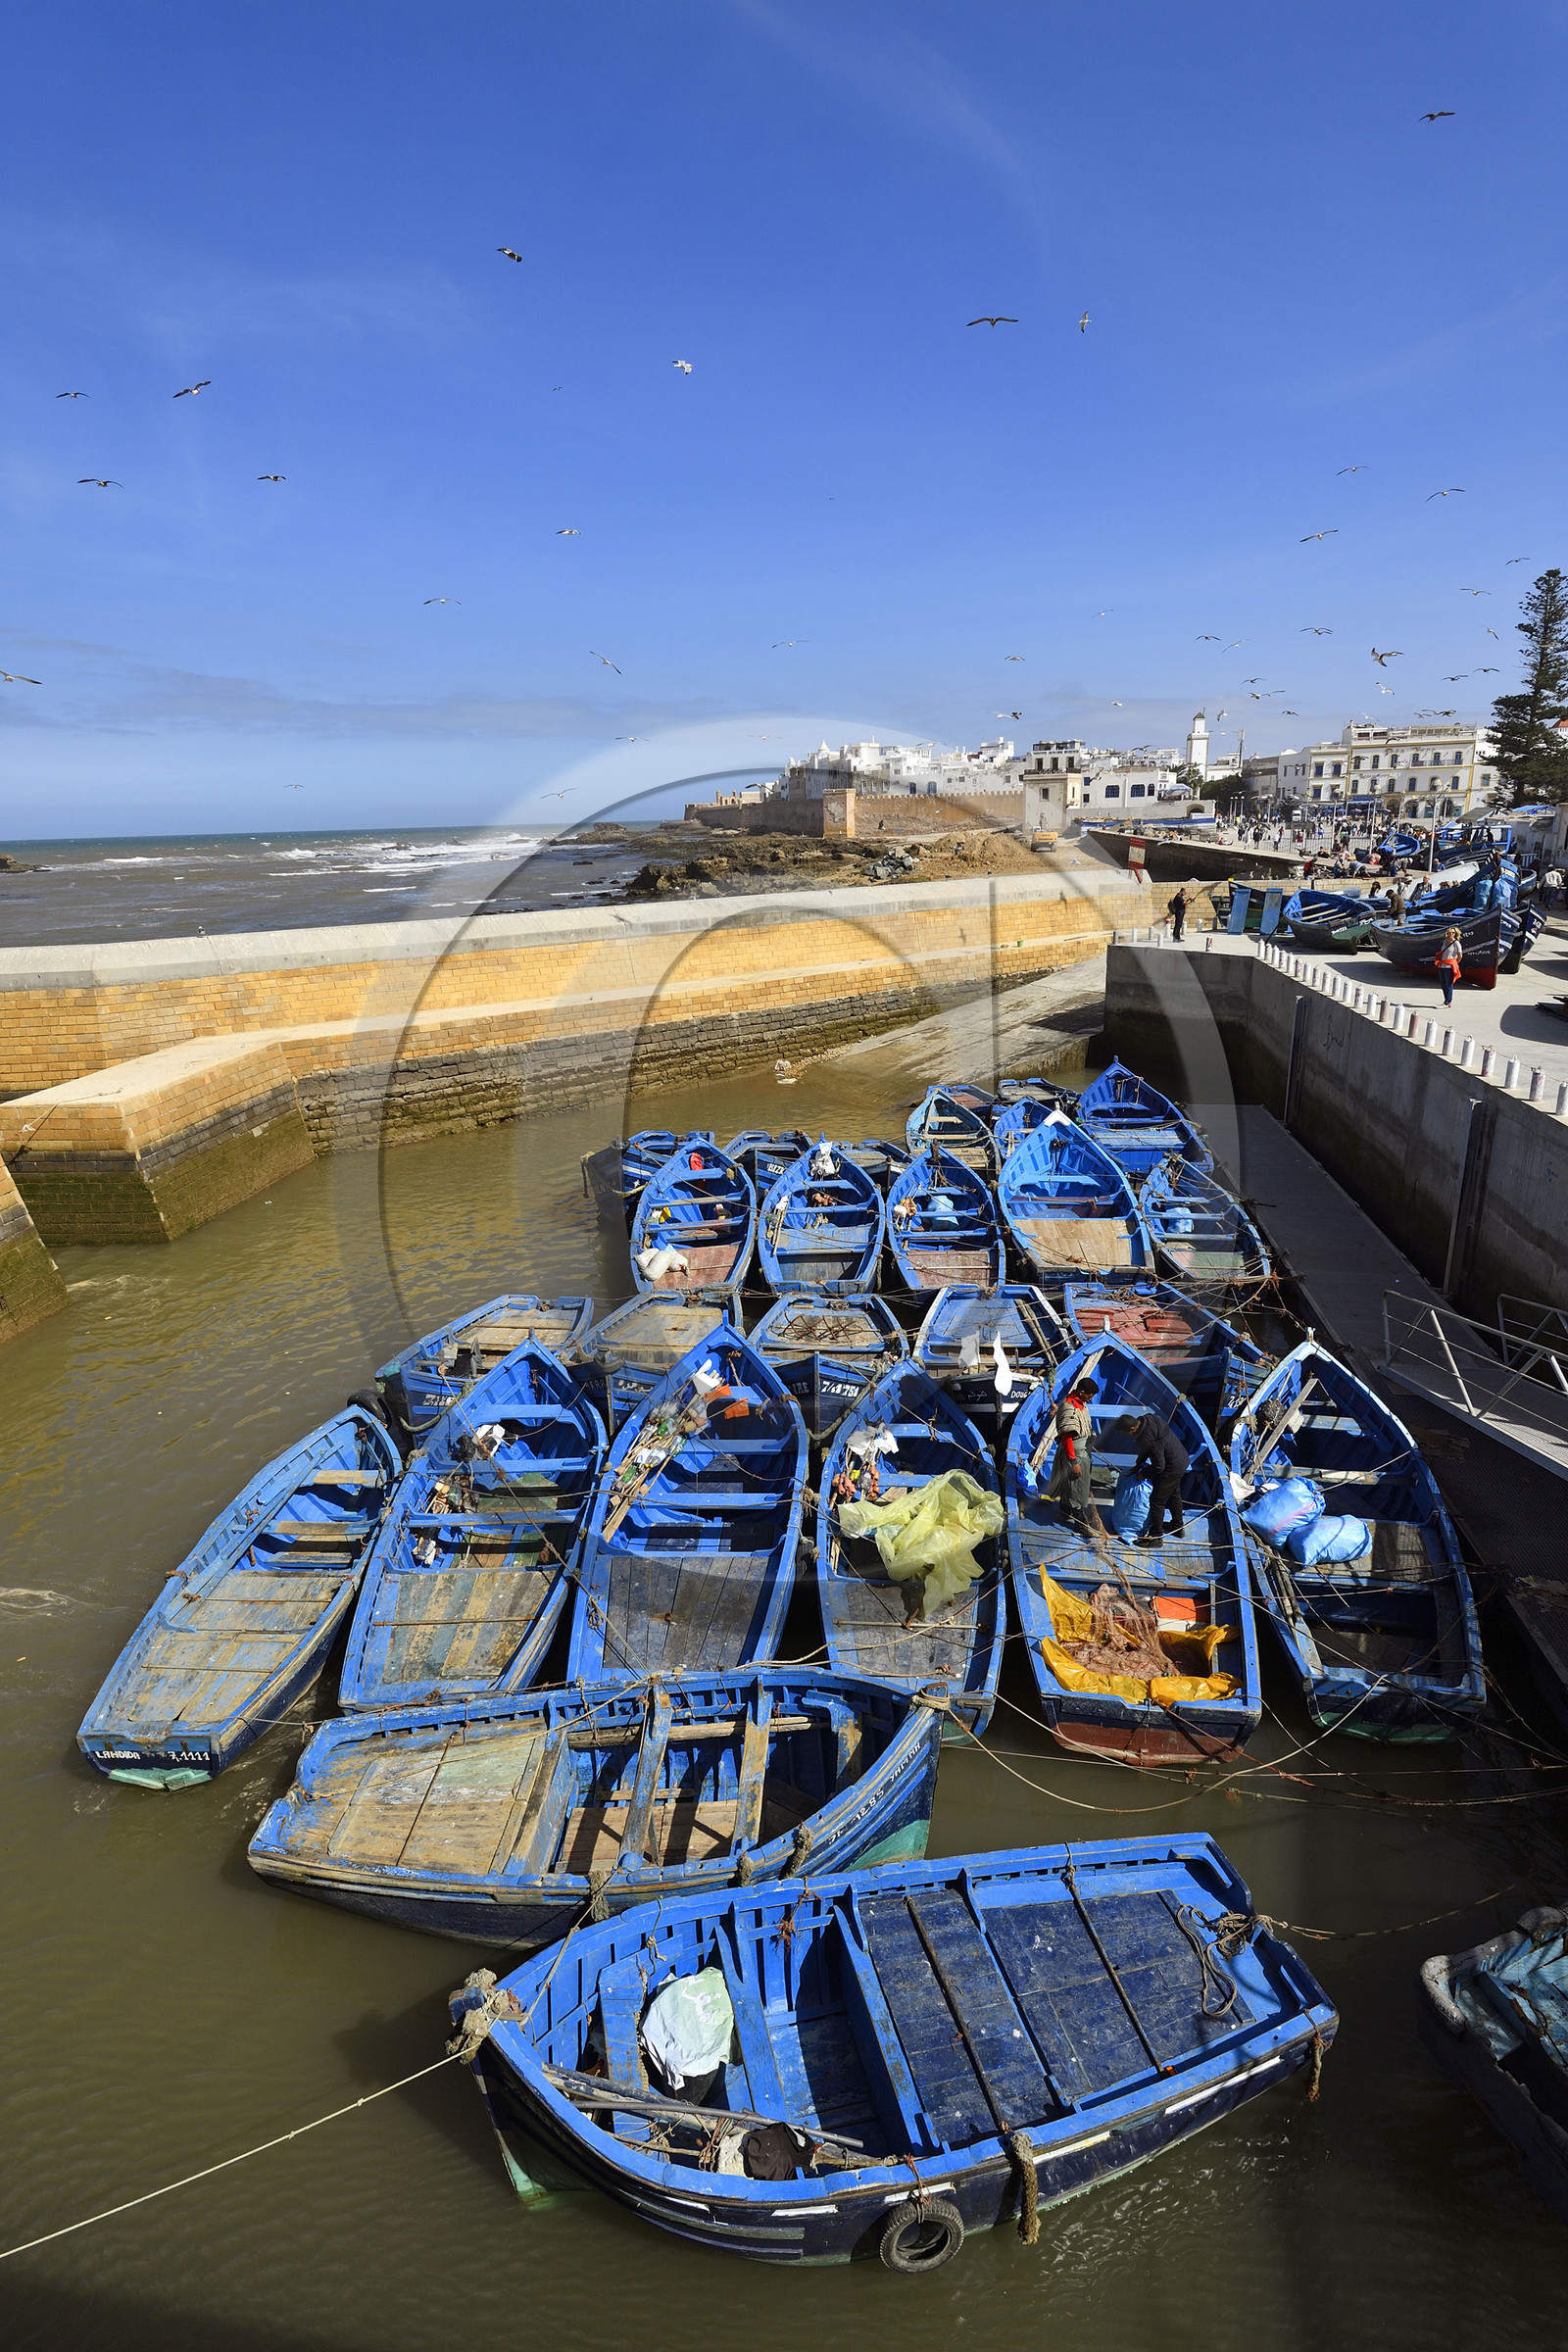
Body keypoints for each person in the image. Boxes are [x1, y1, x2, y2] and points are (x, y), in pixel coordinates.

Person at [1117, 1410, 1189, 1548]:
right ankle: (1177, 1527)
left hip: (1171, 1467)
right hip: (1181, 1459)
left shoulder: (1149, 1439)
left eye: (1126, 1433)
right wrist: (1138, 1465)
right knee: (1174, 1494)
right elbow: (1146, 1449)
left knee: (1157, 1501)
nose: (1126, 1436)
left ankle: (1156, 1537)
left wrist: (1143, 1474)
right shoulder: (1147, 1419)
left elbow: (1158, 1466)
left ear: (1132, 1429)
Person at [1045, 1375, 1099, 1533]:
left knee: (1071, 1486)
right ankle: (1081, 1523)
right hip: (1075, 1454)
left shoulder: (1080, 1404)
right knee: (1077, 1489)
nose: (1091, 1398)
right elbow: (1067, 1437)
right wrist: (1073, 1462)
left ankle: (1064, 1512)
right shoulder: (1069, 1408)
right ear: (1082, 1392)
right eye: (1090, 1395)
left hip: (1083, 1451)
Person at [1435, 926, 1463, 1007]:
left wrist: (1455, 962)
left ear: (1455, 934)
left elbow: (1460, 955)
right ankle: (1446, 1000)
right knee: (1443, 984)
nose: (1451, 934)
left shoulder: (1456, 943)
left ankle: (1448, 1001)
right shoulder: (1445, 942)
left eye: (1453, 932)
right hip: (1442, 965)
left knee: (1448, 984)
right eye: (1450, 932)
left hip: (1449, 966)